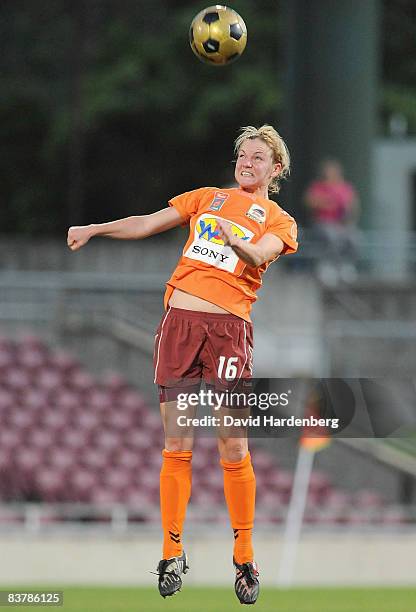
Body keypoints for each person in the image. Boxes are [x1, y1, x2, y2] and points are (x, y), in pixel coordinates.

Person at [67, 124, 298, 605]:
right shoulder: (206, 198)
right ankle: (172, 552)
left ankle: (245, 555)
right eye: (242, 154)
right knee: (177, 444)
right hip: (179, 326)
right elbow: (147, 222)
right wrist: (95, 229)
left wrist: (238, 243)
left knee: (233, 446)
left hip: (229, 333)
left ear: (275, 170)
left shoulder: (279, 219)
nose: (246, 162)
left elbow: (260, 254)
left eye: (257, 157)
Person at [304, 159, 360, 284]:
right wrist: (327, 203)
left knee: (353, 237)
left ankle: (346, 266)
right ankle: (327, 266)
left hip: (341, 224)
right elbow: (311, 202)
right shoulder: (317, 187)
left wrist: (346, 215)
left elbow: (352, 206)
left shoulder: (345, 188)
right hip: (322, 223)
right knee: (331, 236)